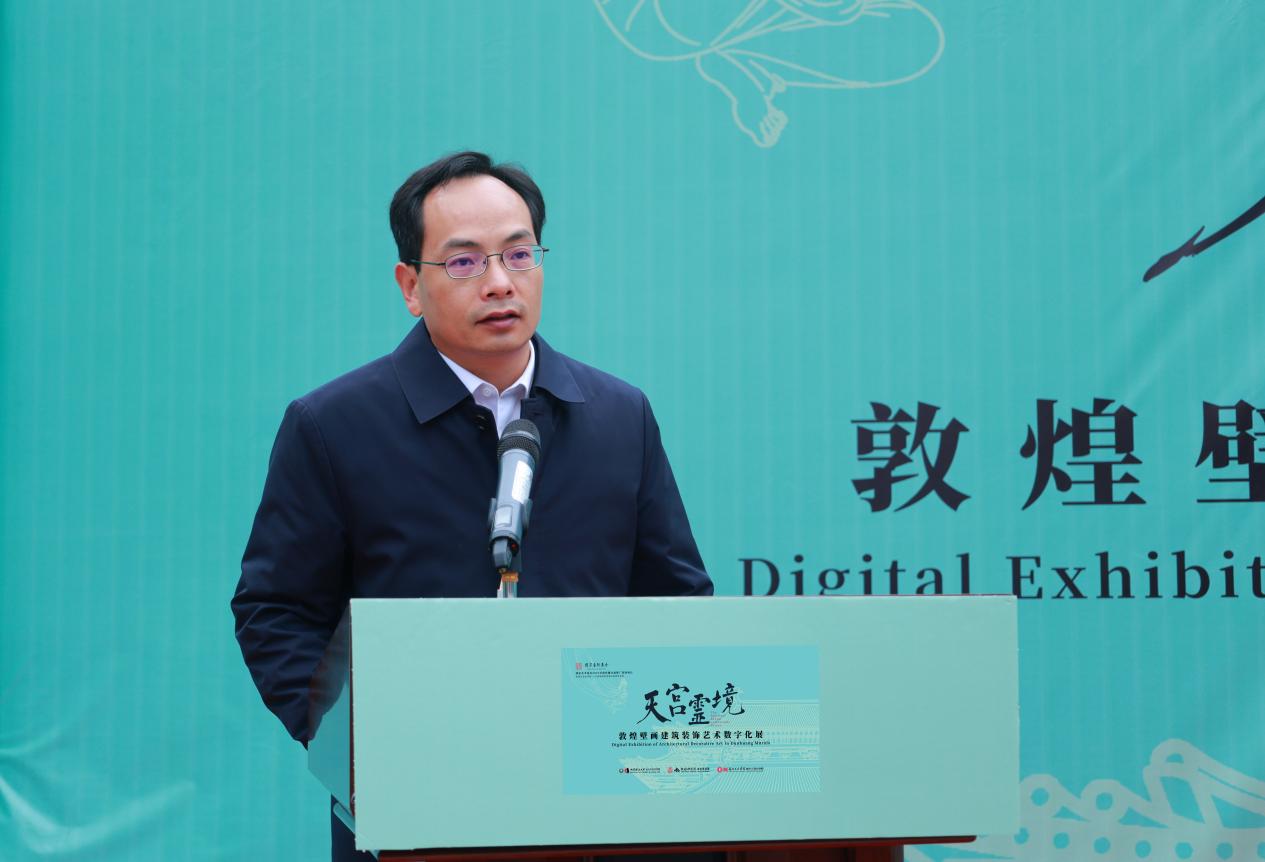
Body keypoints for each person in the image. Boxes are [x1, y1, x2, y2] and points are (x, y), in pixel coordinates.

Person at [231, 151, 712, 860]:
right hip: (415, 809)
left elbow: (675, 600)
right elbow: (277, 611)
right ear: (410, 285)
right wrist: (358, 749)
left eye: (519, 254)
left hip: (601, 808)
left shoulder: (618, 415)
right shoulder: (334, 425)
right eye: (463, 262)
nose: (499, 282)